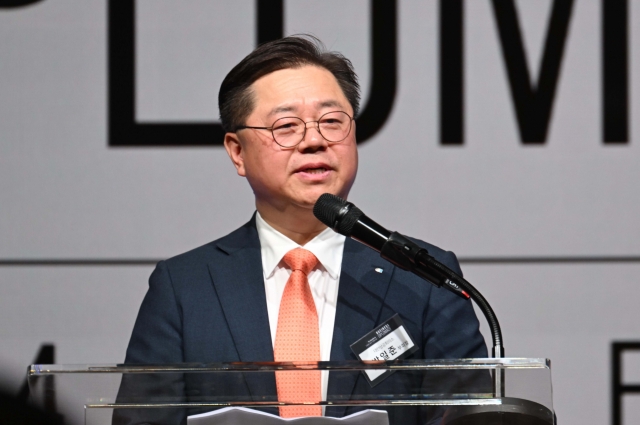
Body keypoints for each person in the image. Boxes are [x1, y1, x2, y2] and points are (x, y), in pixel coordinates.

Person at [114, 35, 487, 425]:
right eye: (286, 126)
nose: (314, 140)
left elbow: (470, 416)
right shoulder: (184, 287)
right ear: (237, 151)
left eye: (331, 121)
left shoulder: (422, 275)